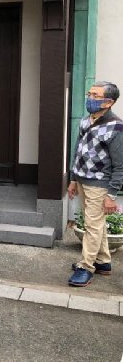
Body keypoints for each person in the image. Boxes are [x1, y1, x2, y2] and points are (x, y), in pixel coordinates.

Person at [67, 81, 123, 287]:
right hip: (82, 180)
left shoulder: (116, 127)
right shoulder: (86, 121)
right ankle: (103, 261)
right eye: (89, 94)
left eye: (95, 96)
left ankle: (86, 267)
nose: (90, 99)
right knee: (96, 224)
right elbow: (78, 150)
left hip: (99, 184)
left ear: (109, 102)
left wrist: (111, 195)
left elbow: (120, 165)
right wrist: (73, 179)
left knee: (92, 225)